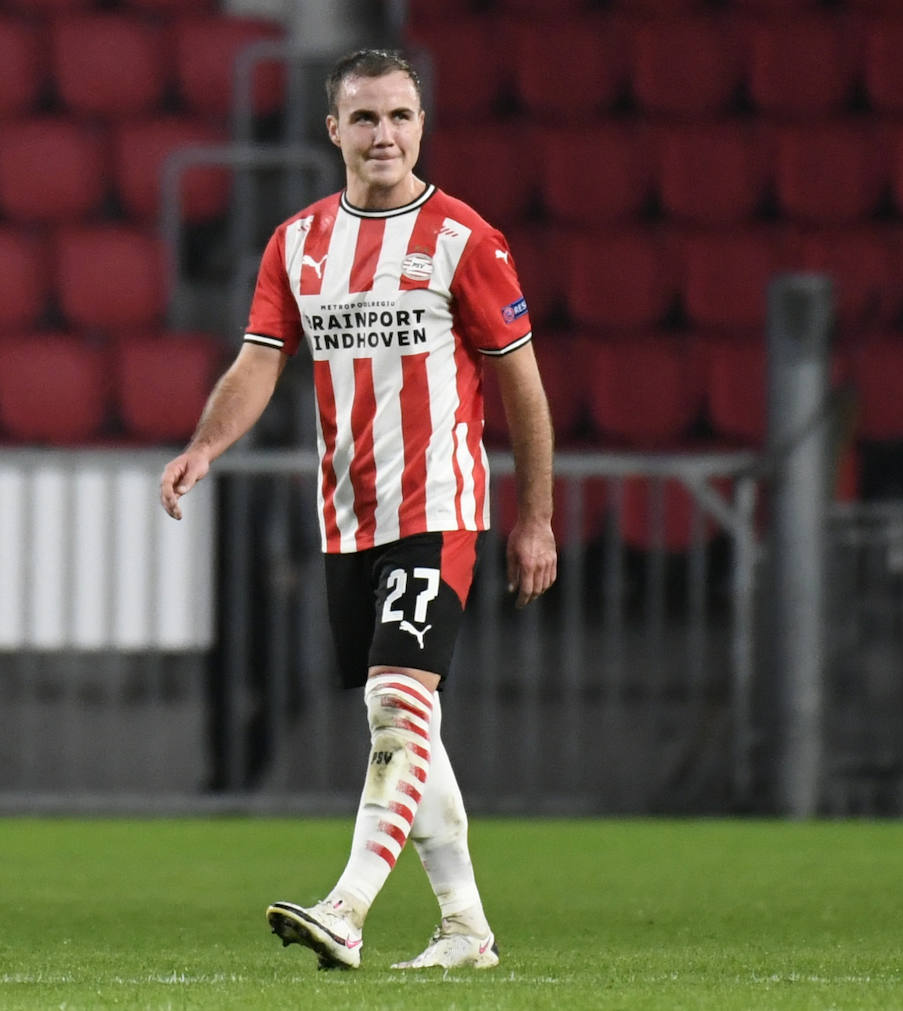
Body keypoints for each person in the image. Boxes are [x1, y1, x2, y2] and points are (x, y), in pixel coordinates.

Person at [159, 47, 556, 972]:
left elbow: (524, 387)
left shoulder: (465, 239)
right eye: (367, 118)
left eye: (401, 116)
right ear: (333, 129)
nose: (385, 135)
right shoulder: (297, 243)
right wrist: (206, 445)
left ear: (423, 126)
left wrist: (534, 517)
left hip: (438, 505)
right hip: (348, 515)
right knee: (412, 724)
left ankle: (347, 907)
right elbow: (260, 359)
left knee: (395, 702)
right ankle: (466, 928)